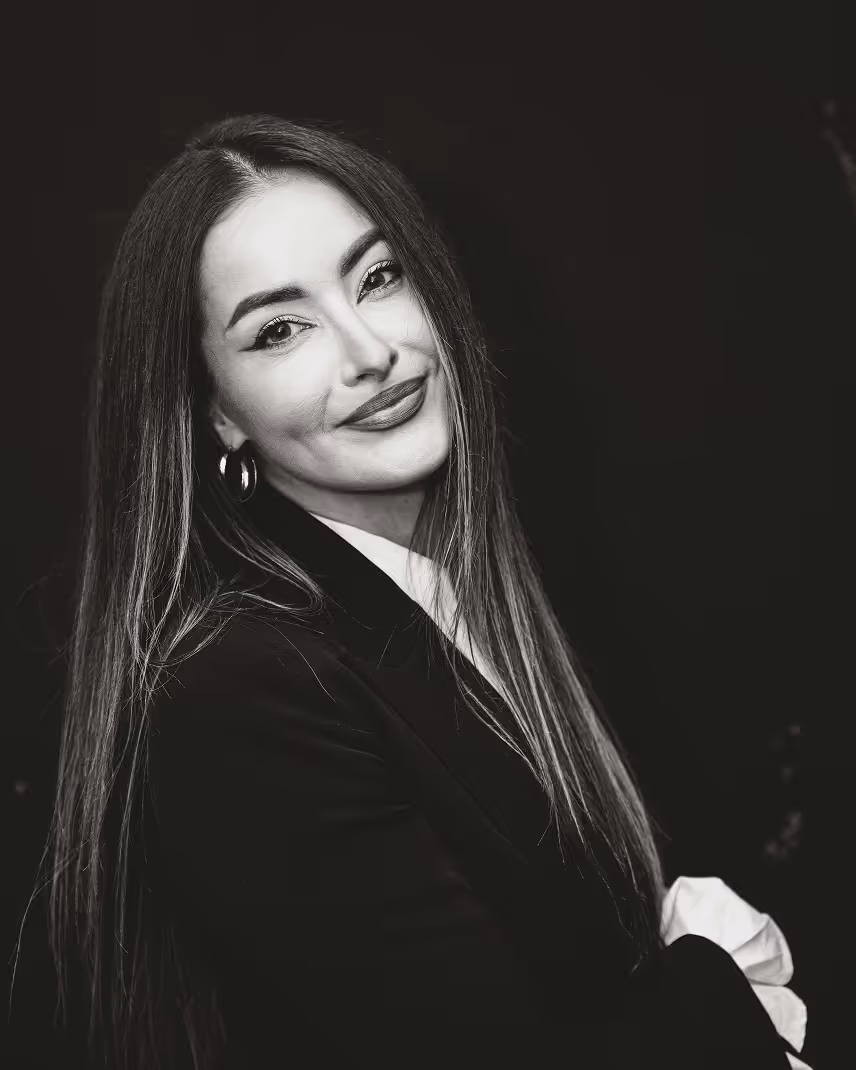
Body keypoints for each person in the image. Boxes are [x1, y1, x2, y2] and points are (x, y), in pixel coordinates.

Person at [18, 114, 796, 1069]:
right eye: (281, 328)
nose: (368, 351)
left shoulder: (451, 585)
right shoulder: (241, 682)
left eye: (378, 277)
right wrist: (722, 987)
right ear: (217, 412)